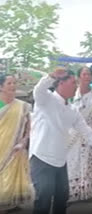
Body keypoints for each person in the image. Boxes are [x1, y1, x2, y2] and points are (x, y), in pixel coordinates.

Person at [29, 68, 92, 214]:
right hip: (41, 158)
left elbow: (87, 132)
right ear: (60, 83)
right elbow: (38, 90)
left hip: (60, 161)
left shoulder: (72, 110)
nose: (76, 86)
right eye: (73, 83)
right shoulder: (46, 100)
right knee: (43, 200)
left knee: (61, 199)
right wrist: (51, 76)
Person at [67, 67, 92, 203]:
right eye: (84, 74)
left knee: (86, 162)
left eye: (89, 74)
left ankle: (85, 193)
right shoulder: (72, 93)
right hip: (72, 134)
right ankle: (72, 192)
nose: (87, 77)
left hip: (90, 131)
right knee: (72, 162)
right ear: (79, 77)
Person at [0, 74, 32, 213]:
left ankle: (11, 201)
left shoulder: (22, 106)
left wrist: (23, 142)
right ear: (1, 87)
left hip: (16, 146)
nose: (13, 86)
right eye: (9, 83)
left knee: (12, 171)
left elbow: (28, 128)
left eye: (14, 83)